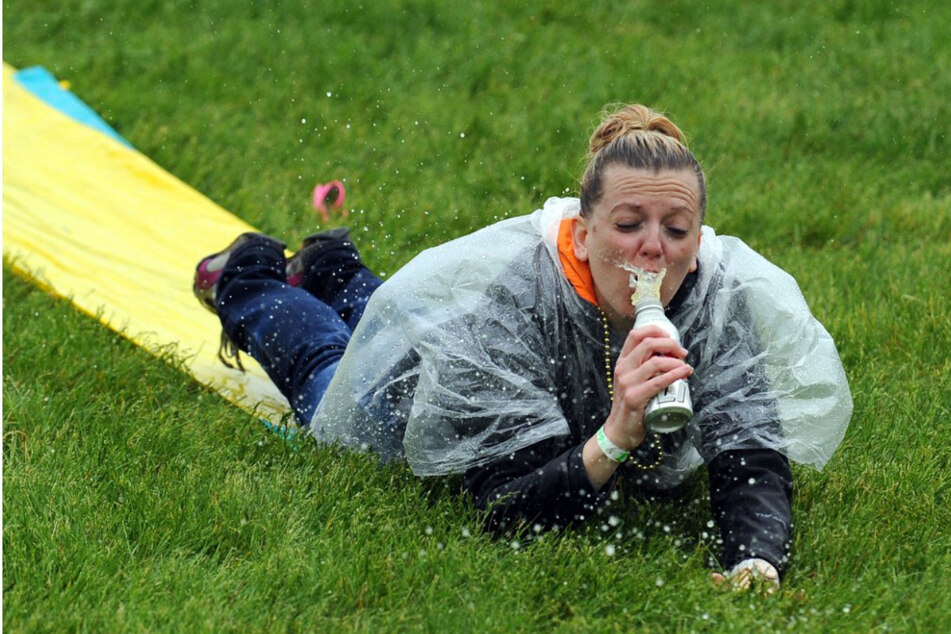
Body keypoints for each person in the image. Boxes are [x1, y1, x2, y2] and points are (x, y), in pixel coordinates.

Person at [193, 104, 852, 592]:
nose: (654, 247)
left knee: (386, 317)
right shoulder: (521, 297)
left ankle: (332, 266)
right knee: (329, 372)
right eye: (628, 226)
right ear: (583, 228)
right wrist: (616, 435)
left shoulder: (716, 298)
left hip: (482, 350)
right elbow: (505, 508)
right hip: (425, 383)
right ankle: (247, 277)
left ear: (698, 233)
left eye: (675, 229)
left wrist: (754, 559)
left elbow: (749, 452)